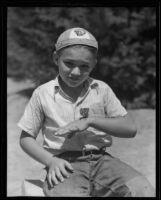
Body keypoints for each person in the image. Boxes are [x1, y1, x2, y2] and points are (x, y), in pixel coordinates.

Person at [18, 27, 155, 197]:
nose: (76, 72)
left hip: (103, 162)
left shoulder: (101, 90)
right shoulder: (42, 93)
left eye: (84, 66)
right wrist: (51, 161)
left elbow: (130, 129)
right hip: (65, 165)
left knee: (143, 189)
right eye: (69, 63)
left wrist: (90, 121)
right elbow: (25, 138)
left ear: (94, 64)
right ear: (56, 58)